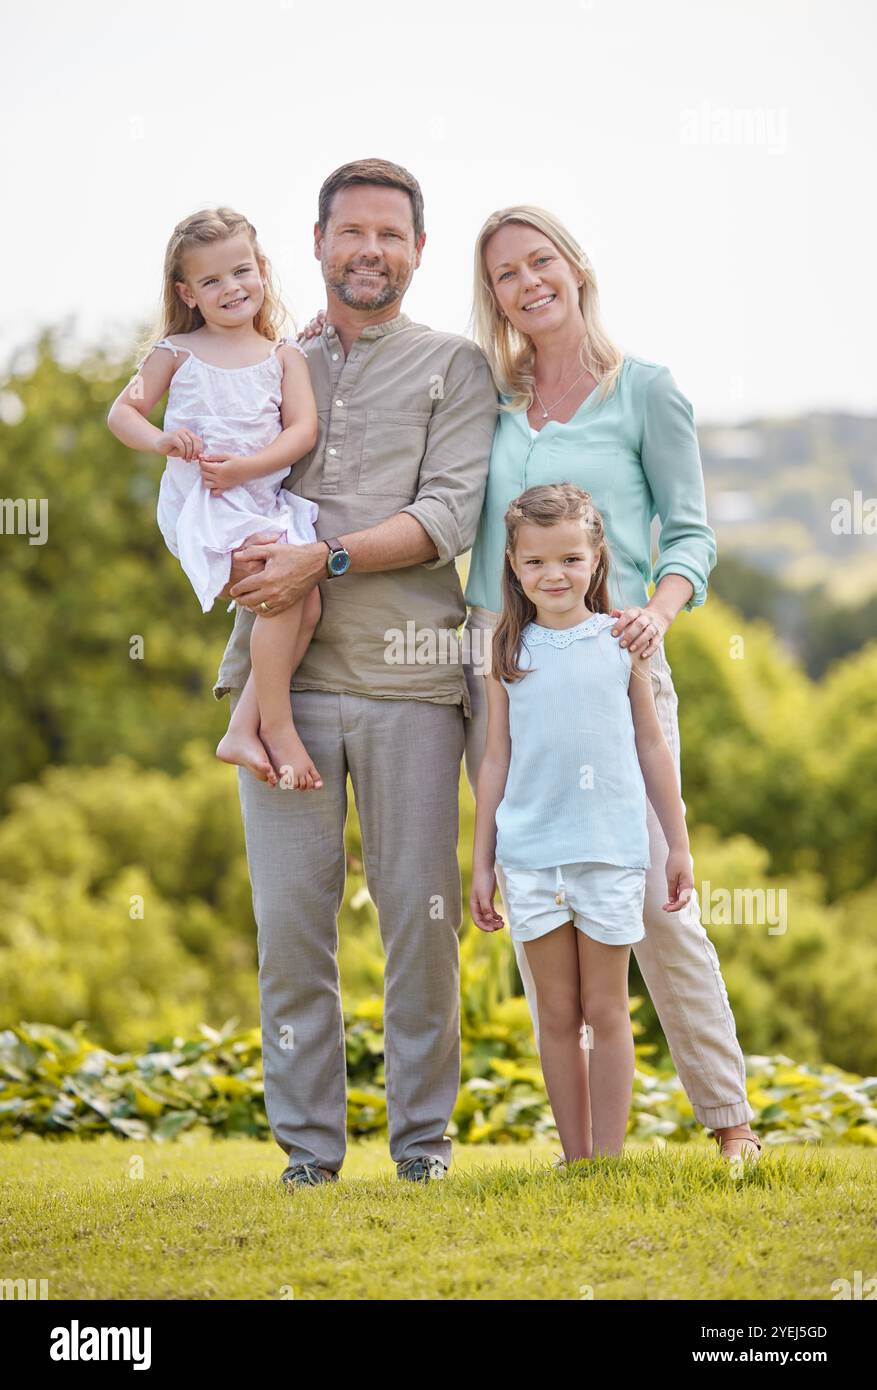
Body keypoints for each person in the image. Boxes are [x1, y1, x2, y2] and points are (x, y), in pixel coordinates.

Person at [212, 160, 499, 1186]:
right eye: (351, 232)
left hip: (412, 685)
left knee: (418, 933)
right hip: (276, 688)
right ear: (319, 243)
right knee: (292, 933)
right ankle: (308, 1159)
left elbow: (449, 517)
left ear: (417, 251)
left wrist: (321, 558)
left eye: (390, 234)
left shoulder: (456, 368)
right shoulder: (270, 362)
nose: (369, 250)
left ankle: (421, 1149)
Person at [462, 205, 762, 1164]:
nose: (526, 283)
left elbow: (690, 533)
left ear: (576, 267)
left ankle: (729, 1122)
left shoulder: (646, 393)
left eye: (539, 261)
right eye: (505, 274)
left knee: (657, 914)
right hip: (507, 667)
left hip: (615, 663)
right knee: (534, 893)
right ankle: (581, 1144)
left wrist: (658, 615)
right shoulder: (492, 404)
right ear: (494, 296)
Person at [471, 483, 694, 1162]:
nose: (553, 575)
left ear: (596, 560)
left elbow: (652, 747)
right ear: (512, 565)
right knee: (557, 1017)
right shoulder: (507, 653)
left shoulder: (621, 644)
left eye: (570, 558)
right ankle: (575, 1160)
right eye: (535, 562)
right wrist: (481, 863)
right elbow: (494, 760)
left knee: (605, 1011)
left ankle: (608, 1159)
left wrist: (677, 845)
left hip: (608, 853)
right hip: (531, 857)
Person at [107, 206, 325, 791]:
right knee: (279, 591)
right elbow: (121, 411)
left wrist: (247, 469)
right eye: (211, 281)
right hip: (203, 505)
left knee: (306, 601)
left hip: (257, 498)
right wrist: (162, 441)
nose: (231, 288)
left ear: (262, 271)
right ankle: (277, 729)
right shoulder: (174, 352)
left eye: (241, 271)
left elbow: (301, 431)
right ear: (188, 292)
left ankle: (242, 728)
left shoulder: (286, 356)